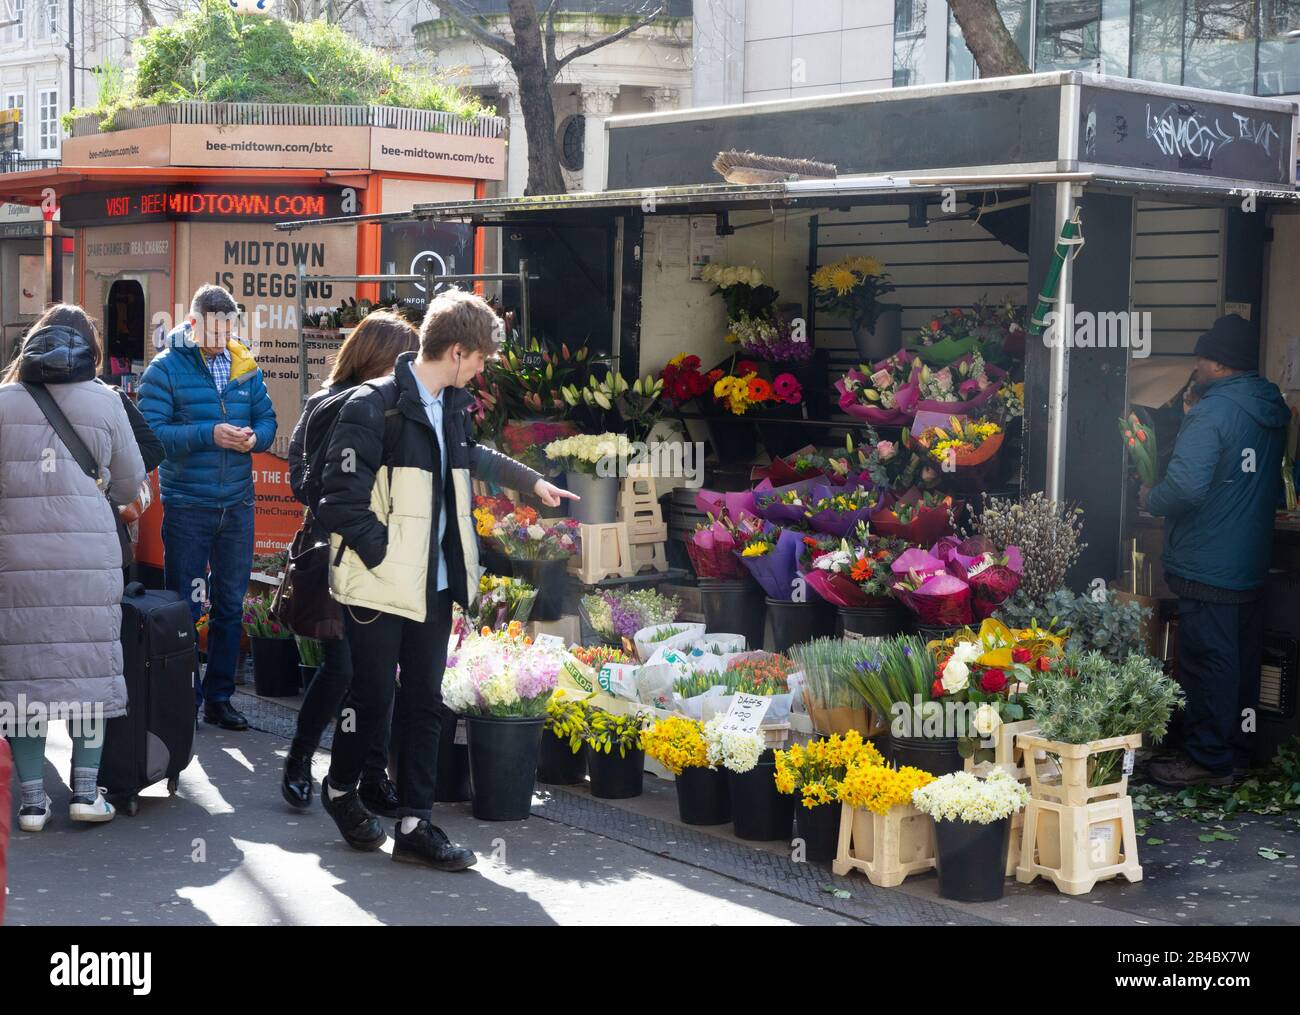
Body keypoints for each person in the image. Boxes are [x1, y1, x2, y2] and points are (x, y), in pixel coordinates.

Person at [315, 289, 576, 869]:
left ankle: (415, 824)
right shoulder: (372, 405)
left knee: (425, 705)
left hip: (433, 586)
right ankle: (338, 789)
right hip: (380, 588)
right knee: (373, 701)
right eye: (480, 358)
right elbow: (339, 499)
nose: (483, 370)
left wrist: (533, 483)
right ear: (457, 351)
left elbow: (472, 456)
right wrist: (385, 555)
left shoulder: (450, 406)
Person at [0, 305, 147, 830]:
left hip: (17, 561)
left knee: (26, 676)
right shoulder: (107, 402)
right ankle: (87, 793)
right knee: (86, 670)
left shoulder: (2, 403)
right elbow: (130, 485)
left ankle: (33, 802)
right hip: (89, 560)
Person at [1140, 314, 1289, 788]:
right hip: (1247, 560)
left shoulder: (1213, 411)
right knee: (1240, 658)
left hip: (1209, 559)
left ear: (1220, 363)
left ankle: (1208, 759)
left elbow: (1186, 486)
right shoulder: (1268, 407)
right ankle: (1236, 753)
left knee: (1207, 660)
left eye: (1202, 356)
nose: (1196, 366)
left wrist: (1149, 498)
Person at [282, 311, 419, 814]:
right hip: (338, 550)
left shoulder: (399, 407)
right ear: (379, 357)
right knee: (343, 669)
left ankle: (372, 773)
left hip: (386, 555)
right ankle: (300, 756)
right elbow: (302, 479)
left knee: (381, 672)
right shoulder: (329, 403)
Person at [139, 284, 277, 731]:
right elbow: (152, 436)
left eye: (228, 329)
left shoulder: (244, 363)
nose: (222, 339)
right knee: (185, 606)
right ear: (193, 324)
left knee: (231, 604)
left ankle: (219, 697)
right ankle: (183, 700)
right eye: (213, 330)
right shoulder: (164, 369)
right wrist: (209, 433)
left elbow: (268, 419)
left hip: (237, 503)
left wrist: (258, 438)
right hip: (189, 506)